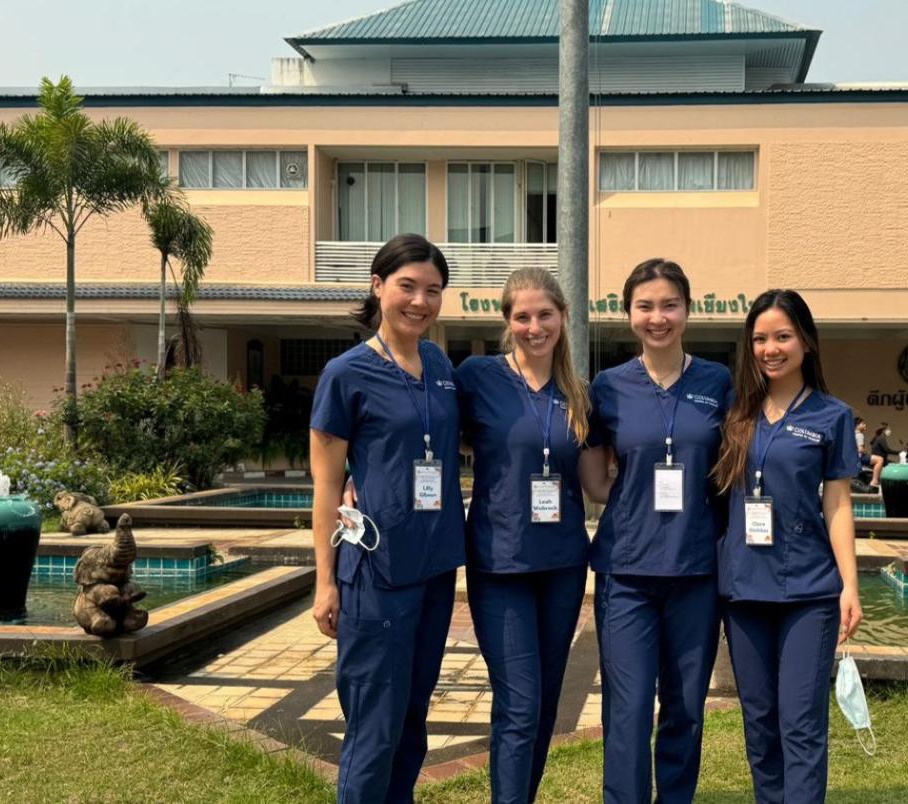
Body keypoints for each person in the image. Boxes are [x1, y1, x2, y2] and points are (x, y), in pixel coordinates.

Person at [309, 234, 466, 804]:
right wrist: (325, 582)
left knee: (412, 723)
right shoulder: (345, 374)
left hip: (434, 568)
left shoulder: (441, 365)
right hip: (374, 572)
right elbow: (327, 488)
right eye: (407, 286)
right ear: (378, 287)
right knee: (375, 726)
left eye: (433, 290)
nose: (420, 301)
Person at [578, 258, 732, 804]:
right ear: (628, 314)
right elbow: (596, 483)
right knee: (629, 705)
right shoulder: (609, 386)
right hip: (627, 572)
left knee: (686, 706)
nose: (658, 317)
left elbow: (732, 470)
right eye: (645, 306)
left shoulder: (718, 382)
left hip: (696, 570)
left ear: (688, 311)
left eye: (669, 305)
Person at [712, 289, 862, 804]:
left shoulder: (832, 417)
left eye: (782, 336)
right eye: (759, 338)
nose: (770, 348)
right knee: (760, 724)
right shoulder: (734, 415)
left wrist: (850, 586)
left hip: (809, 590)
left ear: (806, 342)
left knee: (800, 724)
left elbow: (838, 504)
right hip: (743, 588)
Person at [454, 267, 591, 804]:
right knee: (520, 702)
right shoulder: (477, 377)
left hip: (562, 565)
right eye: (522, 317)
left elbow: (596, 477)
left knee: (546, 705)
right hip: (501, 564)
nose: (535, 326)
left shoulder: (578, 393)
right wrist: (357, 474)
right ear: (508, 322)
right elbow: (419, 426)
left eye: (545, 315)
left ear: (562, 316)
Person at [866, 423, 898, 490]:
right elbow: (887, 450)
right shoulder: (881, 438)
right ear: (884, 430)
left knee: (893, 464)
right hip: (880, 460)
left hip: (882, 459)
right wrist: (899, 452)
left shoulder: (879, 437)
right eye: (888, 429)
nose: (890, 431)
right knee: (895, 467)